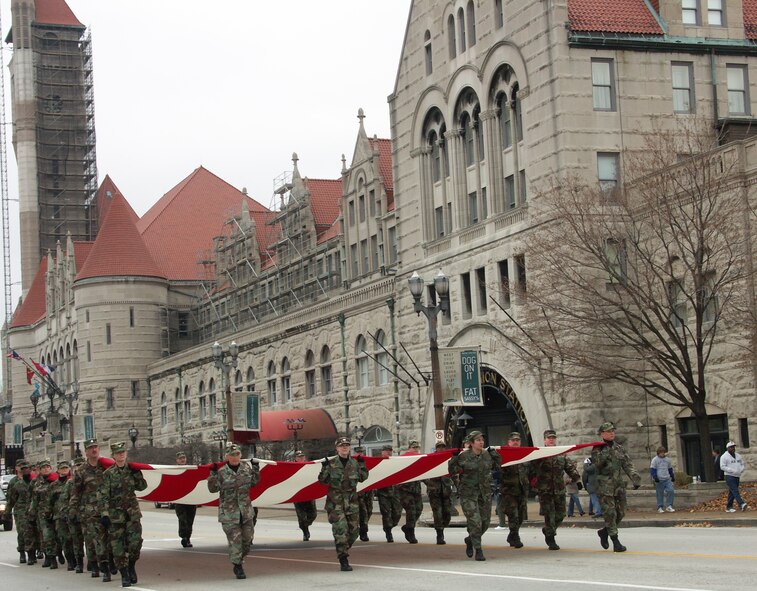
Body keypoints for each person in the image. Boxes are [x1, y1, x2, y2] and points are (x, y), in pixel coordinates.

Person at [98, 441, 147, 587]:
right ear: (113, 456)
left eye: (123, 452)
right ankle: (124, 573)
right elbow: (104, 495)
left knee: (135, 544)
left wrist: (137, 474)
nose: (121, 454)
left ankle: (131, 565)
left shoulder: (132, 470)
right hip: (115, 516)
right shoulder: (108, 474)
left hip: (132, 513)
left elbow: (142, 487)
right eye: (118, 453)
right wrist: (104, 514)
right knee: (117, 547)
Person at [207, 443, 260, 579]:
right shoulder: (222, 472)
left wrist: (256, 468)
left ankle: (238, 559)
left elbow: (254, 483)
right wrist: (212, 474)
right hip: (229, 514)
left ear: (240, 455)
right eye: (232, 455)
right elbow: (212, 489)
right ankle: (238, 566)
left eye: (237, 454)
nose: (235, 457)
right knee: (235, 541)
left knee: (247, 540)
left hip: (246, 512)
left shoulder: (246, 469)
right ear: (227, 457)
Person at [448, 430, 502, 561]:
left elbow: (497, 466)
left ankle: (470, 539)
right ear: (471, 443)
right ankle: (478, 549)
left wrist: (495, 455)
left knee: (485, 522)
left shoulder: (486, 455)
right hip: (468, 494)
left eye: (482, 440)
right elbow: (452, 471)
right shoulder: (463, 456)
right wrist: (453, 458)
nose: (481, 442)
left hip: (484, 493)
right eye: (478, 440)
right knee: (475, 522)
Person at [317, 436, 369, 571]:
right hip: (336, 503)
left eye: (346, 445)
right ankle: (343, 559)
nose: (344, 447)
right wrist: (324, 468)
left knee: (354, 531)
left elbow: (363, 478)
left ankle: (343, 548)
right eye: (342, 446)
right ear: (337, 448)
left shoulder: (355, 463)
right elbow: (322, 481)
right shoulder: (332, 463)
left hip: (352, 502)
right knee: (340, 530)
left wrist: (363, 464)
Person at [592, 422, 641, 552]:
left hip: (618, 486)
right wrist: (606, 451)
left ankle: (604, 532)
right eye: (609, 431)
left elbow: (627, 464)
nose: (612, 433)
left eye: (613, 431)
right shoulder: (597, 448)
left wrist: (635, 478)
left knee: (621, 512)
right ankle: (615, 541)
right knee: (610, 513)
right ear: (602, 434)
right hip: (605, 487)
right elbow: (597, 464)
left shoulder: (619, 448)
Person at [529, 429, 581, 550]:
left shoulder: (561, 453)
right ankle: (551, 538)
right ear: (544, 440)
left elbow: (569, 467)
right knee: (549, 515)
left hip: (559, 489)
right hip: (545, 490)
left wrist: (577, 480)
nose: (551, 440)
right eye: (549, 438)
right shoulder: (539, 453)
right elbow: (532, 469)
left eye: (553, 438)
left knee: (561, 514)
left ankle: (548, 530)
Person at [70, 438, 111, 580]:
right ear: (86, 452)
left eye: (96, 447)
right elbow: (75, 492)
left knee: (110, 539)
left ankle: (110, 563)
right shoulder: (81, 471)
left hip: (108, 509)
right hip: (90, 511)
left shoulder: (106, 467)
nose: (94, 450)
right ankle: (100, 567)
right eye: (91, 448)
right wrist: (73, 511)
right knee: (94, 541)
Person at [498, 432, 529, 548]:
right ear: (509, 442)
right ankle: (515, 537)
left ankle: (511, 535)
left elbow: (530, 472)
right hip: (509, 492)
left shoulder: (525, 456)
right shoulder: (504, 456)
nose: (515, 442)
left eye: (517, 440)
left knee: (520, 517)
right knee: (513, 515)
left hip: (522, 491)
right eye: (513, 440)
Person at [29, 457, 60, 569]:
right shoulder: (36, 483)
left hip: (56, 512)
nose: (46, 469)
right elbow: (33, 499)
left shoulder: (57, 480)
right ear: (40, 470)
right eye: (43, 468)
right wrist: (31, 514)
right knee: (47, 537)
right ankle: (50, 558)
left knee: (59, 536)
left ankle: (60, 554)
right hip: (43, 514)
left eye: (48, 467)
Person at [6, 460, 36, 565]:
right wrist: (7, 513)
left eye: (27, 468)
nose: (26, 471)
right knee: (23, 533)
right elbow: (11, 500)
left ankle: (33, 553)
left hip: (33, 510)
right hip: (21, 511)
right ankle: (23, 552)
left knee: (33, 532)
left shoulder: (35, 482)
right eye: (23, 469)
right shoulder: (17, 484)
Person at [424, 441, 453, 544]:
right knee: (438, 514)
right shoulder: (431, 459)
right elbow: (423, 474)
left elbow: (453, 473)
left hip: (445, 491)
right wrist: (430, 484)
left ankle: (442, 527)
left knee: (447, 514)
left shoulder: (448, 459)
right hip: (434, 492)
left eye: (443, 447)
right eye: (439, 447)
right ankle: (439, 535)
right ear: (436, 448)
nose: (441, 449)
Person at [396, 440, 423, 544]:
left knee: (419, 509)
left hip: (416, 490)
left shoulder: (420, 459)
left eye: (417, 448)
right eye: (414, 448)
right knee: (411, 511)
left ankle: (407, 527)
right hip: (405, 490)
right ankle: (411, 532)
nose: (415, 450)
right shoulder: (403, 458)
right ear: (409, 448)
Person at [51, 460, 74, 570]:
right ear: (58, 470)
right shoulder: (53, 485)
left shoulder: (73, 482)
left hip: (72, 515)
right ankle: (69, 560)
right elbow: (49, 501)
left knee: (74, 538)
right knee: (64, 539)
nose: (64, 471)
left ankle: (76, 559)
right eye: (62, 469)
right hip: (59, 516)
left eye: (66, 468)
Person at [376, 444, 402, 542]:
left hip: (395, 492)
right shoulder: (378, 462)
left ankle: (391, 525)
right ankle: (388, 532)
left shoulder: (395, 462)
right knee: (386, 513)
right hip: (383, 492)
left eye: (390, 450)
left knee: (397, 512)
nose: (388, 452)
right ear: (382, 452)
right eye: (386, 450)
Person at [174, 451, 198, 548]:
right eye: (180, 458)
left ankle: (188, 538)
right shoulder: (173, 470)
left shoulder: (190, 469)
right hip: (180, 500)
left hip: (191, 499)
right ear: (177, 460)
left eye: (183, 458)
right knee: (182, 519)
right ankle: (184, 537)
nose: (182, 460)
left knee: (190, 519)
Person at [293, 450, 318, 541]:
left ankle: (305, 525)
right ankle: (305, 532)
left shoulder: (309, 466)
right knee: (302, 517)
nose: (301, 458)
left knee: (313, 515)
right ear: (295, 458)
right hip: (297, 496)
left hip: (309, 496)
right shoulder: (290, 468)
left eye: (302, 457)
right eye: (299, 457)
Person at [68, 456, 87, 573]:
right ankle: (79, 563)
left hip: (88, 514)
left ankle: (93, 563)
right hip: (76, 514)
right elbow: (68, 499)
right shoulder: (71, 483)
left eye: (81, 465)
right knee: (77, 541)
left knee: (91, 541)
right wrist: (71, 513)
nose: (79, 468)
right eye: (77, 466)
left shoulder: (90, 478)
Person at [720, 441, 748, 512]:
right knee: (735, 490)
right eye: (731, 447)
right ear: (728, 448)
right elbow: (722, 467)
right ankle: (741, 504)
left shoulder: (738, 455)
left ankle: (729, 507)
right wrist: (731, 470)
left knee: (732, 491)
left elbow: (742, 464)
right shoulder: (724, 456)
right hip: (729, 476)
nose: (733, 448)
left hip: (737, 475)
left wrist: (741, 469)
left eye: (734, 447)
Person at [353, 446, 373, 542]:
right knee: (361, 513)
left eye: (361, 452)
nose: (360, 454)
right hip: (356, 494)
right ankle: (362, 532)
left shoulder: (366, 462)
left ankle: (362, 530)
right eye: (358, 452)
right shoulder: (351, 463)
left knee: (368, 512)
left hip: (368, 493)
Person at [650, 446, 675, 513]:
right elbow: (653, 469)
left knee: (671, 491)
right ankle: (660, 507)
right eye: (661, 453)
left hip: (667, 478)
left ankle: (669, 506)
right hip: (659, 479)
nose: (662, 454)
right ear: (658, 453)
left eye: (663, 453)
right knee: (660, 493)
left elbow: (670, 469)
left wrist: (672, 476)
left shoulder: (667, 460)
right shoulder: (655, 460)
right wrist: (655, 477)